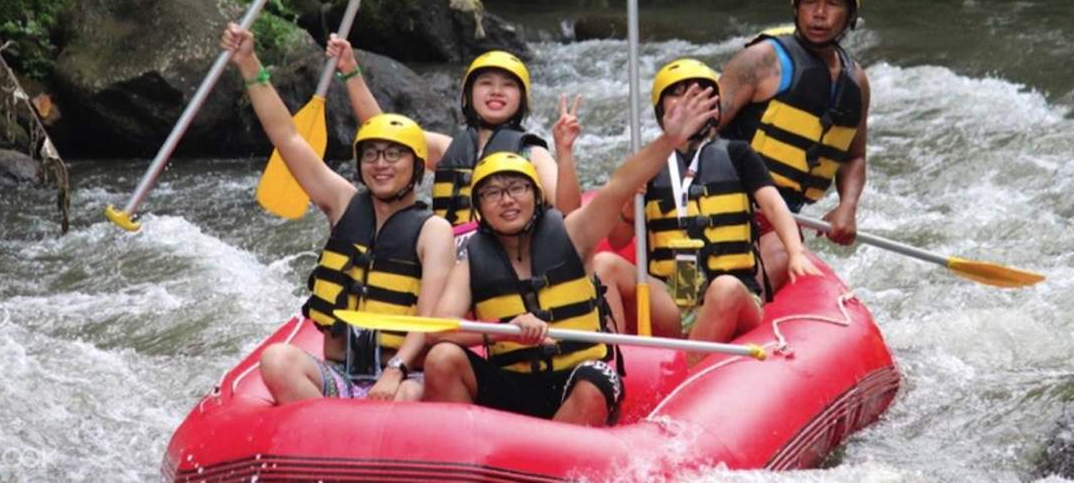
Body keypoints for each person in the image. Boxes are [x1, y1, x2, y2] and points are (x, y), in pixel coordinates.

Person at [421, 84, 720, 426]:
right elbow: (438, 331)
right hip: (514, 385)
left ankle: (543, 450)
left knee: (595, 381)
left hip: (575, 377)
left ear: (536, 196)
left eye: (517, 188)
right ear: (479, 207)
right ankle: (477, 451)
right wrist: (505, 330)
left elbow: (620, 185)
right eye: (492, 193)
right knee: (442, 358)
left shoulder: (573, 234)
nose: (507, 200)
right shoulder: (472, 262)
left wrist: (669, 140)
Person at [221, 23, 455, 404]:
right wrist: (249, 64)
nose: (380, 164)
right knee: (277, 360)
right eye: (371, 154)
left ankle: (351, 425)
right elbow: (287, 138)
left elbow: (427, 319)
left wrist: (395, 372)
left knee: (409, 396)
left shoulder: (434, 230)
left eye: (393, 155)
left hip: (402, 376)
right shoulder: (343, 202)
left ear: (416, 166)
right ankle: (327, 426)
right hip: (339, 375)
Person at [593, 59, 817, 353]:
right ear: (662, 111)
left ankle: (690, 367)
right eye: (678, 94)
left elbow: (774, 207)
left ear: (714, 106)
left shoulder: (738, 154)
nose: (689, 101)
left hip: (734, 296)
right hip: (672, 298)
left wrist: (795, 252)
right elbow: (617, 240)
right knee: (604, 264)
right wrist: (628, 207)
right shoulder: (648, 163)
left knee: (725, 288)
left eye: (699, 94)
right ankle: (614, 361)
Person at [718, 0, 871, 294]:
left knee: (779, 263)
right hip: (726, 201)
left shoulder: (856, 81)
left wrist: (847, 207)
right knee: (760, 272)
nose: (819, 14)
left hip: (782, 217)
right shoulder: (761, 60)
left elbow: (854, 157)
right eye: (810, 2)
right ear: (796, 9)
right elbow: (698, 130)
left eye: (832, 4)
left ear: (849, 17)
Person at [327, 38, 582, 231]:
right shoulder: (446, 149)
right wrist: (350, 70)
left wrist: (565, 152)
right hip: (448, 256)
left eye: (508, 85)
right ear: (468, 96)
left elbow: (569, 212)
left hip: (504, 260)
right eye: (486, 83)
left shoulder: (532, 154)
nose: (496, 91)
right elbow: (381, 128)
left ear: (521, 99)